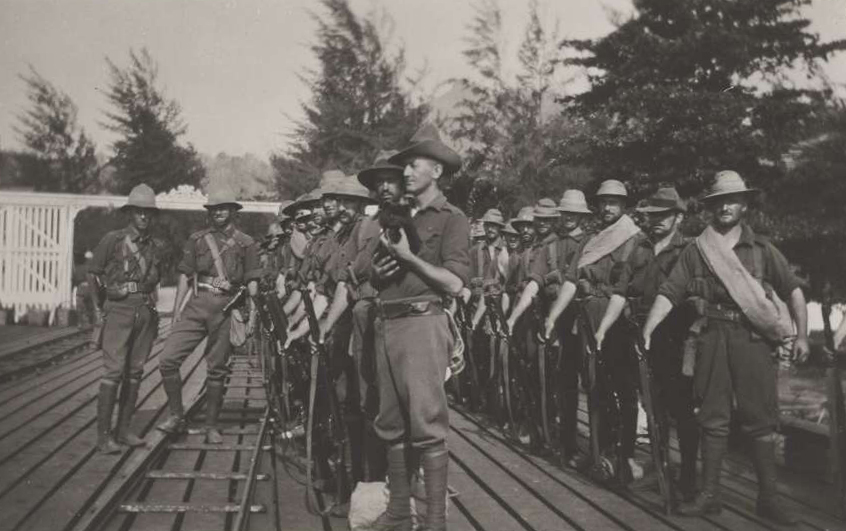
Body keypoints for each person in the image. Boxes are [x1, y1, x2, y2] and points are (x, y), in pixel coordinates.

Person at [641, 171, 809, 525]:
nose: (725, 207)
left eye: (732, 200)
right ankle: (709, 496)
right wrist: (648, 329)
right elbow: (670, 292)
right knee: (712, 418)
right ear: (711, 207)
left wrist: (804, 335)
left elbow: (793, 290)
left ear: (744, 204)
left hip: (753, 340)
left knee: (759, 419)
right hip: (712, 337)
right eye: (719, 201)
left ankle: (769, 500)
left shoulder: (762, 250)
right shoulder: (698, 249)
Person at [370, 124, 470, 531]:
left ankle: (434, 523)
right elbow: (380, 275)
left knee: (427, 427)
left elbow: (455, 283)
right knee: (391, 425)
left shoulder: (453, 219)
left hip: (423, 325)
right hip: (388, 324)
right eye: (405, 165)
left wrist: (410, 259)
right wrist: (378, 272)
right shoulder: (397, 216)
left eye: (414, 164)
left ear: (437, 171)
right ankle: (398, 517)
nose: (406, 172)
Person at [544, 180, 645, 482]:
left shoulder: (635, 240)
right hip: (586, 322)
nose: (607, 208)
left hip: (619, 324)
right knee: (596, 387)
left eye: (614, 202)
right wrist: (553, 316)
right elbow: (572, 280)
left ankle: (625, 454)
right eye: (602, 202)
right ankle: (601, 448)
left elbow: (635, 287)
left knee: (624, 390)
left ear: (624, 206)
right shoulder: (591, 240)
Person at [157, 187, 260, 444]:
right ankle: (176, 416)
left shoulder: (247, 243)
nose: (219, 212)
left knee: (217, 369)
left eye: (224, 207)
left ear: (234, 211)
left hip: (226, 309)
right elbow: (185, 273)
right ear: (209, 212)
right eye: (214, 208)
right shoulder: (197, 239)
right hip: (197, 305)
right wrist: (175, 311)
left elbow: (252, 280)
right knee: (167, 360)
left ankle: (211, 425)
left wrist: (253, 314)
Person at [624, 187, 699, 501]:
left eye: (662, 215)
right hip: (641, 333)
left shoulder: (690, 249)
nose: (654, 221)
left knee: (681, 408)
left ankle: (689, 477)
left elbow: (695, 294)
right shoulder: (639, 248)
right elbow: (626, 285)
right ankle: (660, 466)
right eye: (651, 215)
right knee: (651, 405)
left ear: (679, 217)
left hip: (675, 334)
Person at [88, 184, 163, 453]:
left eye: (148, 213)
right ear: (130, 213)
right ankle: (104, 437)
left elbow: (155, 280)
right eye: (139, 212)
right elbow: (93, 273)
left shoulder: (155, 246)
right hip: (118, 311)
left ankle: (124, 430)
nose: (144, 217)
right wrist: (97, 310)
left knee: (135, 372)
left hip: (143, 311)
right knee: (114, 371)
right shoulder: (113, 240)